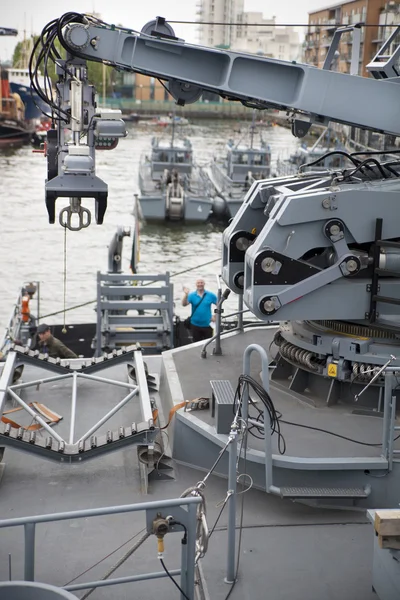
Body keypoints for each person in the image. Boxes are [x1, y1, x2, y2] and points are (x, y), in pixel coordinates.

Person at [182, 278, 217, 343]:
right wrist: (186, 294)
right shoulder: (192, 295)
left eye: (201, 283)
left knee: (208, 343)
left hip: (207, 325)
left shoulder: (210, 295)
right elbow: (184, 304)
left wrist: (215, 315)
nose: (200, 284)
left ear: (204, 284)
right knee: (196, 344)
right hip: (195, 324)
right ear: (196, 284)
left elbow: (219, 304)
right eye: (198, 283)